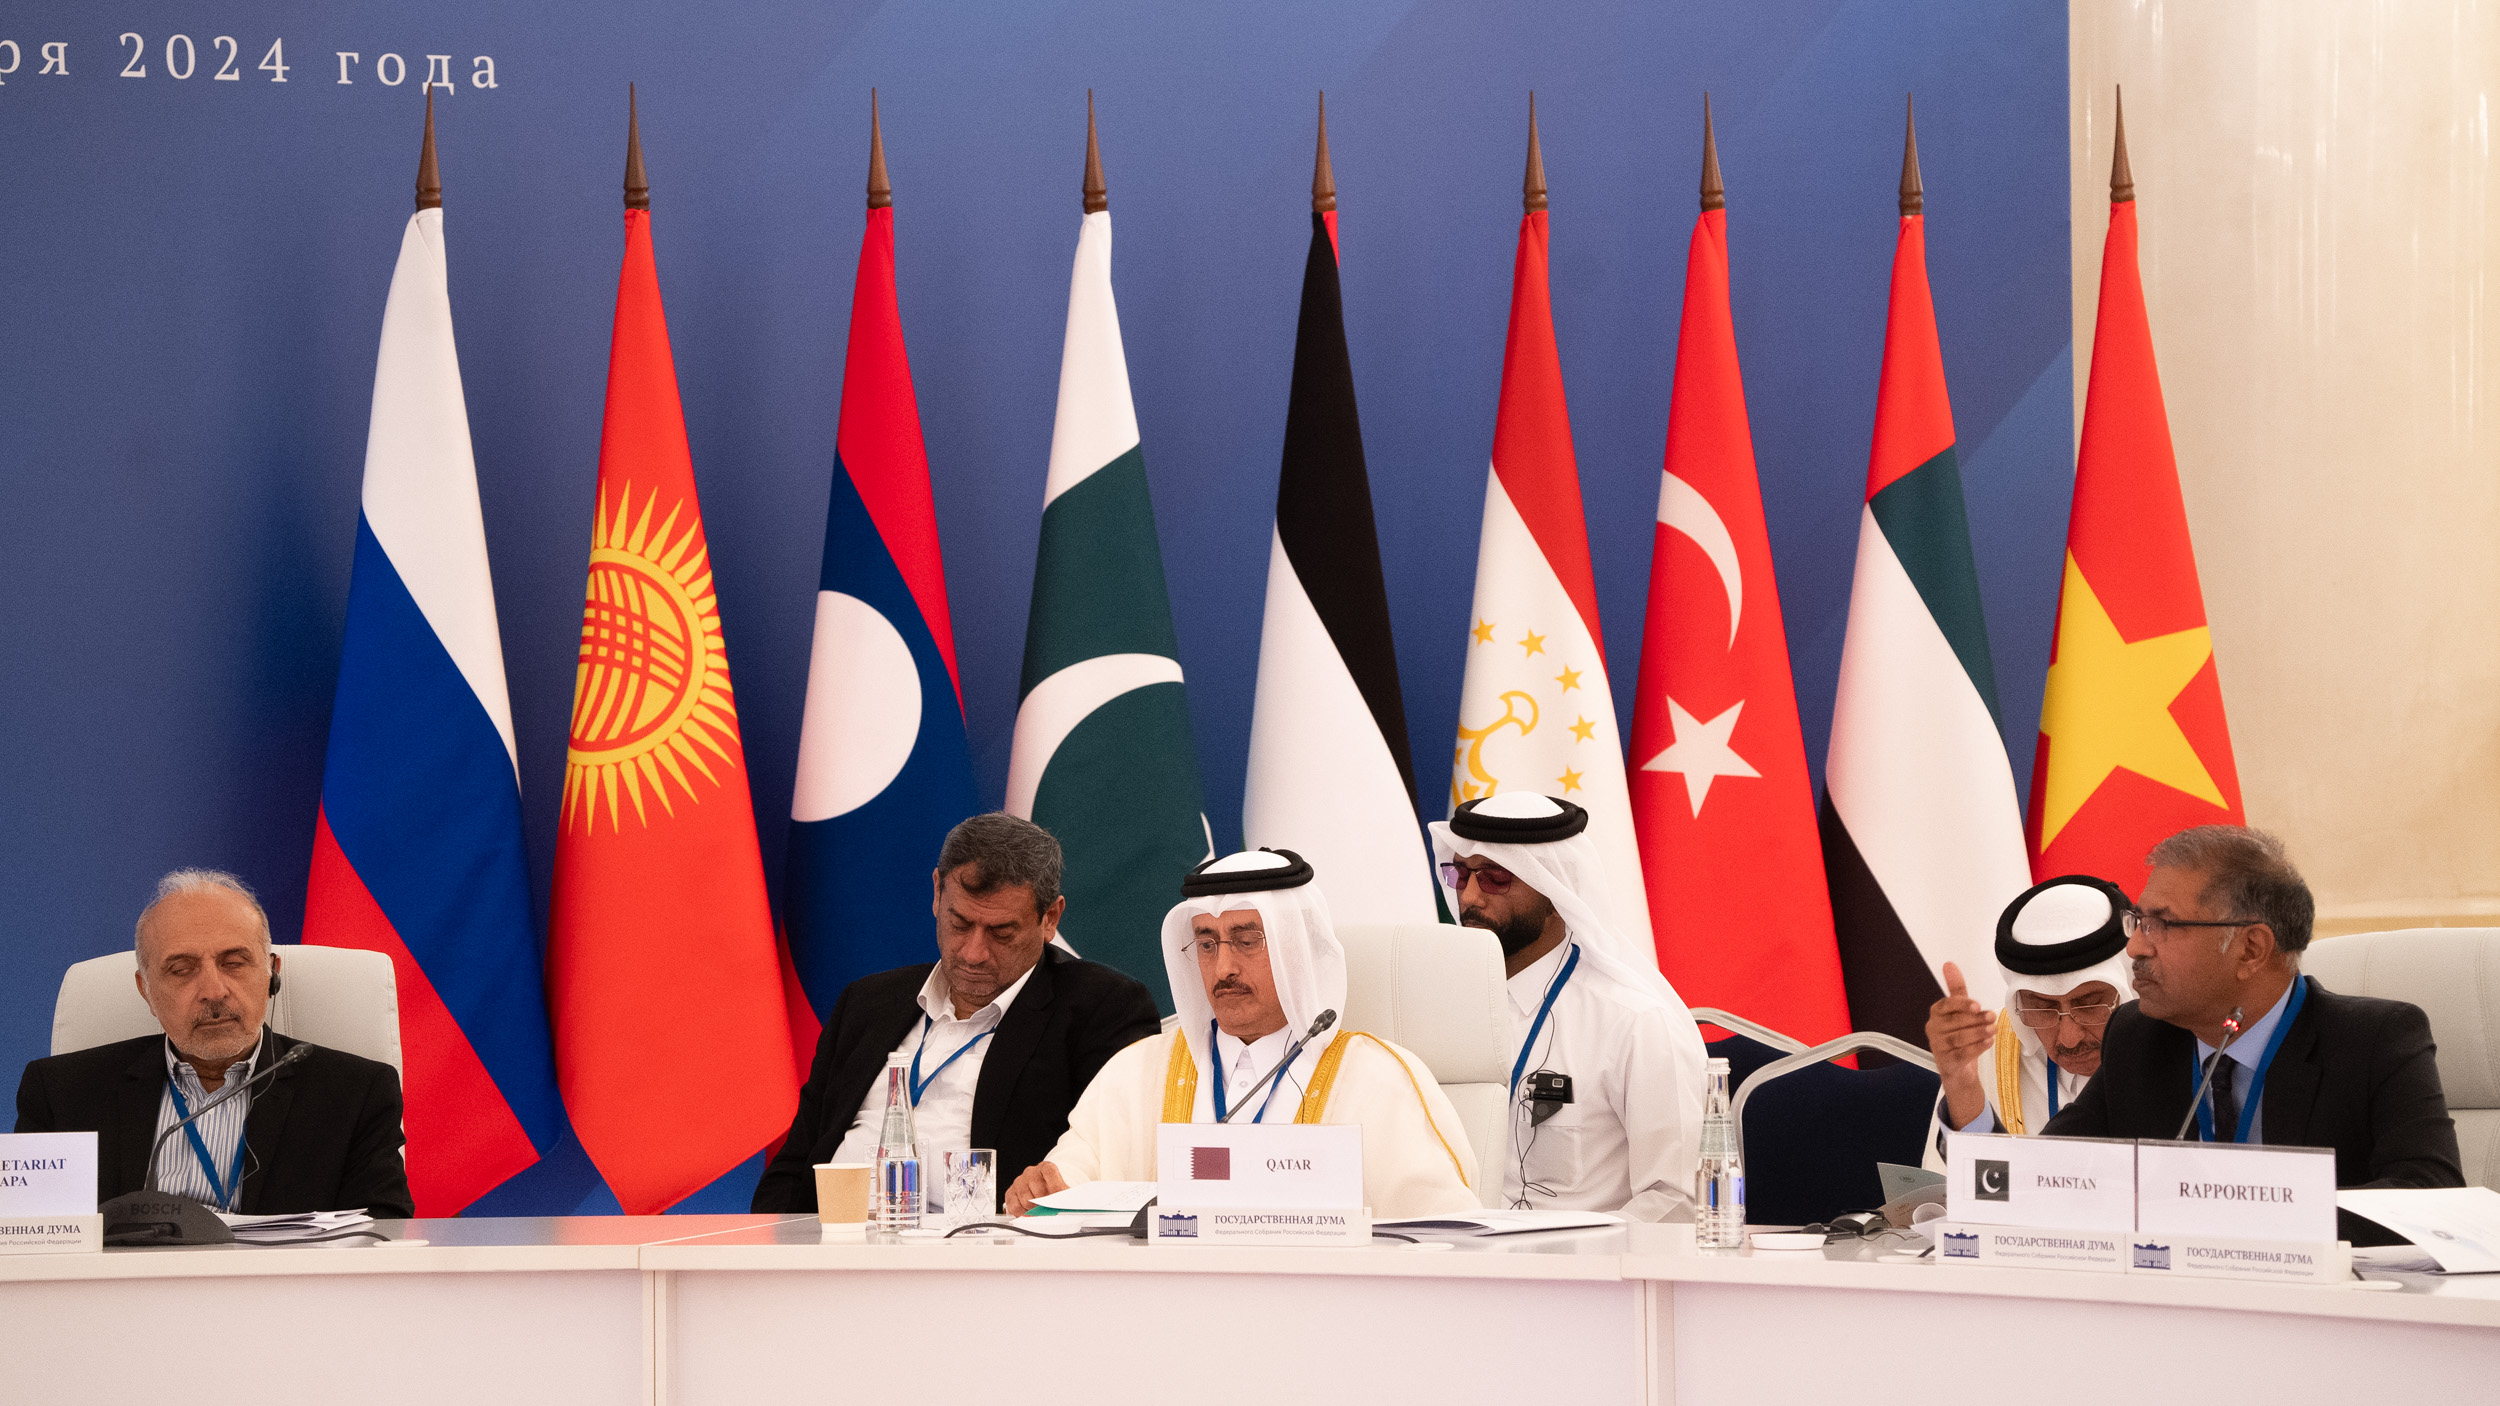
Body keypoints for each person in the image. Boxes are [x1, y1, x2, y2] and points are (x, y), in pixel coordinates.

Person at [1004, 848, 1480, 1218]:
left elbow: (1443, 1231)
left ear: (1296, 949)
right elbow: (1072, 1179)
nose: (1223, 968)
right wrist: (1044, 1190)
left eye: (1247, 941)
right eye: (1207, 944)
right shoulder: (1137, 1071)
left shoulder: (1377, 1079)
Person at [2042, 826, 2462, 1242]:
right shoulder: (2137, 1036)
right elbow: (2041, 1172)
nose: (2135, 947)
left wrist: (2242, 1218)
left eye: (2161, 924)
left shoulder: (2374, 1041)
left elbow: (2430, 1197)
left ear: (2251, 949)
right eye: (2138, 921)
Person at [753, 813, 1161, 1212]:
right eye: (960, 924)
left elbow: (1112, 1166)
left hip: (979, 1246)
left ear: (1049, 918)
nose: (973, 953)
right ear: (937, 893)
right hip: (832, 1237)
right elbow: (794, 1164)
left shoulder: (1102, 1009)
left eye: (1002, 933)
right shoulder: (867, 1003)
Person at [14, 869, 413, 1218]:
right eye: (181, 969)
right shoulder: (61, 1093)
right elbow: (28, 1236)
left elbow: (382, 1236)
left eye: (234, 963)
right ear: (146, 990)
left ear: (272, 974)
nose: (214, 990)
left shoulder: (356, 1094)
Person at [1429, 794, 1708, 1222]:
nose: (1469, 897)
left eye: (1495, 878)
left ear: (1555, 893)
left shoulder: (1633, 1024)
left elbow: (1675, 1202)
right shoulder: (1437, 1008)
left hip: (1581, 1261)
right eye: (1461, 874)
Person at [1921, 875, 2135, 1169]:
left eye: (2089, 1005)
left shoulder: (2174, 1044)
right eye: (2043, 1008)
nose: (2069, 1038)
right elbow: (1969, 1192)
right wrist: (1962, 1086)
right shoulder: (1988, 1047)